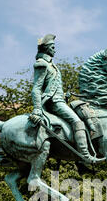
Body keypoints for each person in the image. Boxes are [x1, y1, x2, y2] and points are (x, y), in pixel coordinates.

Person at [30, 34, 100, 164]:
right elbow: (36, 88)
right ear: (46, 48)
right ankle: (85, 156)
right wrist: (37, 109)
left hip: (59, 100)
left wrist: (63, 96)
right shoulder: (42, 64)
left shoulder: (52, 65)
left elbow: (52, 86)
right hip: (54, 103)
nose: (54, 50)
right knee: (78, 122)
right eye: (52, 47)